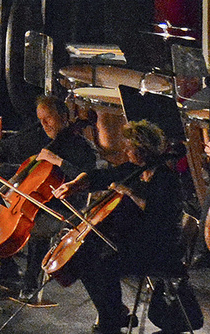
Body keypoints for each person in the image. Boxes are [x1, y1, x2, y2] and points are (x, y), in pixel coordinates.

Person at [52, 121, 185, 334]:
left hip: (158, 248)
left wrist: (130, 193)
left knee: (104, 263)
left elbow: (160, 215)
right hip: (132, 241)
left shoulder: (166, 179)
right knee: (84, 256)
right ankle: (112, 315)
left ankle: (111, 320)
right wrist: (76, 184)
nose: (125, 150)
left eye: (130, 147)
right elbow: (101, 176)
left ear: (143, 150)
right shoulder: (132, 169)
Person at [0, 95, 96, 300]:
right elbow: (3, 146)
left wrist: (58, 161)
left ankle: (30, 283)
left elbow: (88, 178)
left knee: (36, 227)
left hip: (63, 206)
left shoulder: (82, 147)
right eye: (40, 119)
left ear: (64, 116)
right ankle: (7, 269)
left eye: (48, 119)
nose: (44, 125)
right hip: (31, 200)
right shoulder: (39, 134)